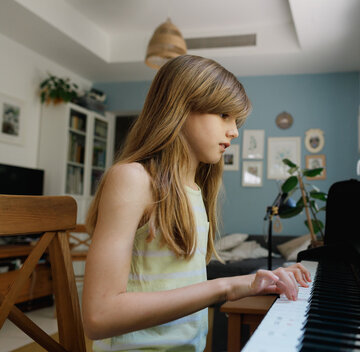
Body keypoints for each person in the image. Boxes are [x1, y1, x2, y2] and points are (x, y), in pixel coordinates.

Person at [82, 55, 311, 351]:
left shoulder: (194, 189)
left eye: (237, 121)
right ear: (181, 107)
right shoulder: (133, 179)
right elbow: (99, 316)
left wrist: (258, 281)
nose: (235, 131)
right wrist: (228, 286)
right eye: (224, 115)